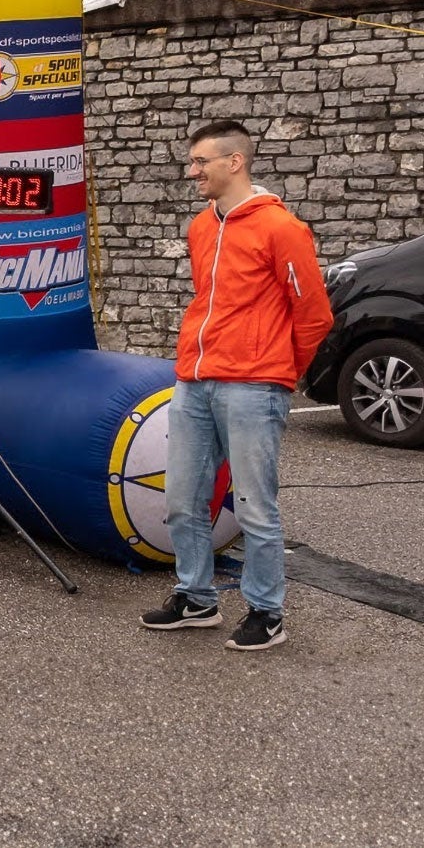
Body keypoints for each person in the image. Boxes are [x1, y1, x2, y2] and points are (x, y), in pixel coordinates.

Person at [141, 120, 332, 652]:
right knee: (181, 499)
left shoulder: (282, 229)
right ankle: (197, 598)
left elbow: (314, 314)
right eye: (192, 161)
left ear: (235, 162)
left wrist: (279, 372)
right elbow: (209, 301)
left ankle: (267, 613)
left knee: (254, 506)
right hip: (195, 381)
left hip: (255, 386)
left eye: (200, 161)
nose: (192, 171)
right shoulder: (202, 227)